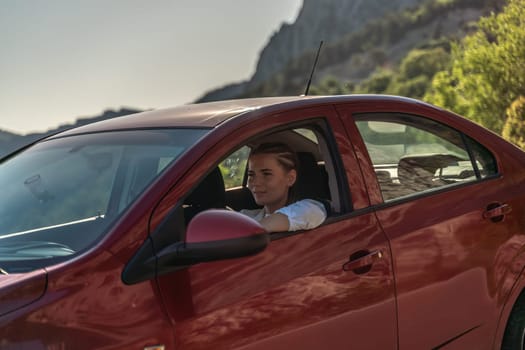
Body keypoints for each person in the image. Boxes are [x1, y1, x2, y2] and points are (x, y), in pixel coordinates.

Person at [240, 142, 327, 232]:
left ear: (290, 178)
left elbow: (307, 213)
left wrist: (247, 232)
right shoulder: (246, 216)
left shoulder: (310, 209)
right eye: (251, 174)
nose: (256, 182)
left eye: (266, 174)